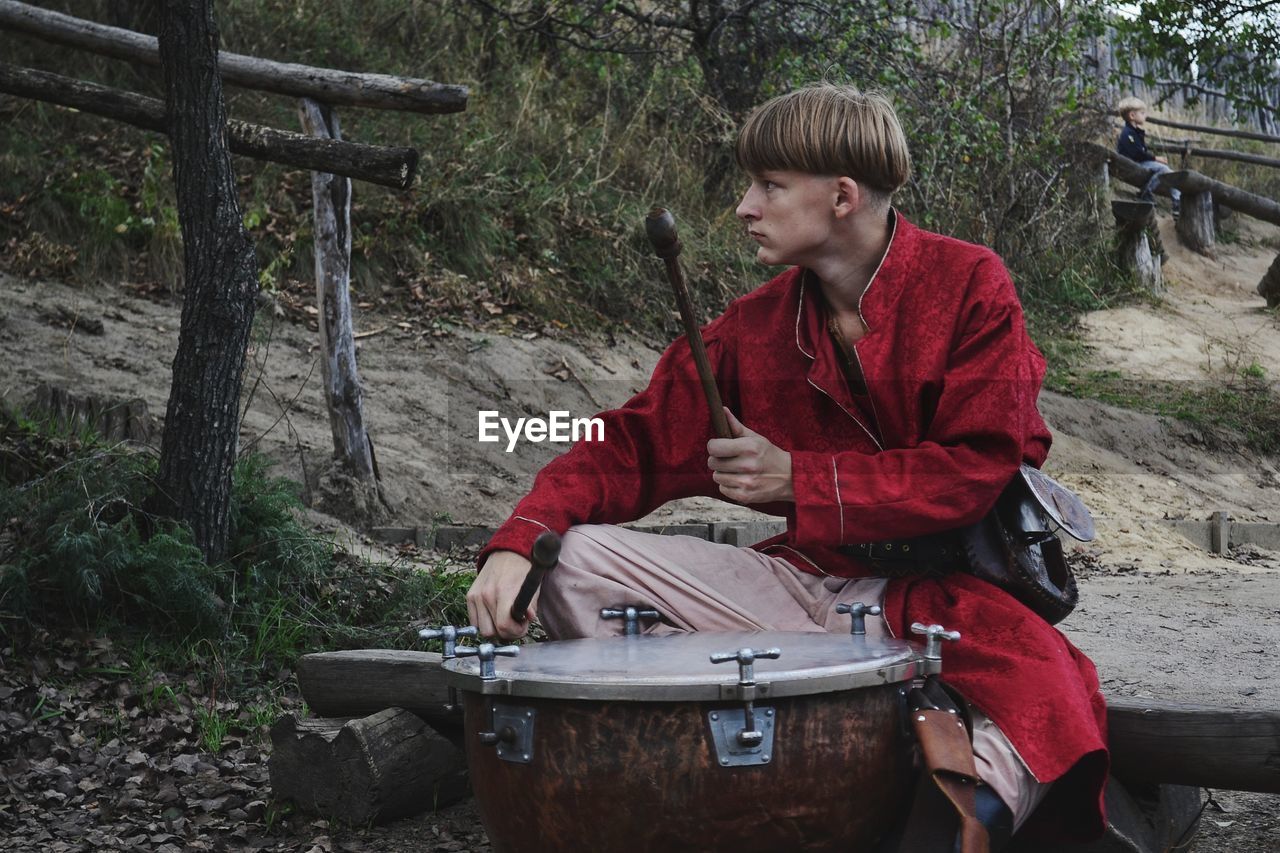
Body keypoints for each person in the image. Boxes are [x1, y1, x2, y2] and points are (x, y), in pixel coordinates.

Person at [467, 83, 1108, 849]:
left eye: (769, 186)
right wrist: (519, 537)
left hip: (946, 603)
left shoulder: (970, 285)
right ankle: (730, 762)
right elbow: (630, 444)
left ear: (841, 196)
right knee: (571, 560)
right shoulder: (756, 326)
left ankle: (945, 809)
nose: (745, 206)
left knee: (1045, 692)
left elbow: (979, 467)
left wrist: (797, 479)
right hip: (801, 595)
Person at [1117, 96, 1181, 215]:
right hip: (1131, 164)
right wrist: (1156, 158)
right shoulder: (1127, 133)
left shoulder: (1135, 132)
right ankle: (1146, 192)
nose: (1145, 116)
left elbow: (1140, 153)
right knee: (1163, 169)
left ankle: (1178, 202)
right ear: (1132, 115)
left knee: (1170, 173)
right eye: (1142, 113)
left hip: (1139, 162)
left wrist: (1154, 159)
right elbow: (1137, 154)